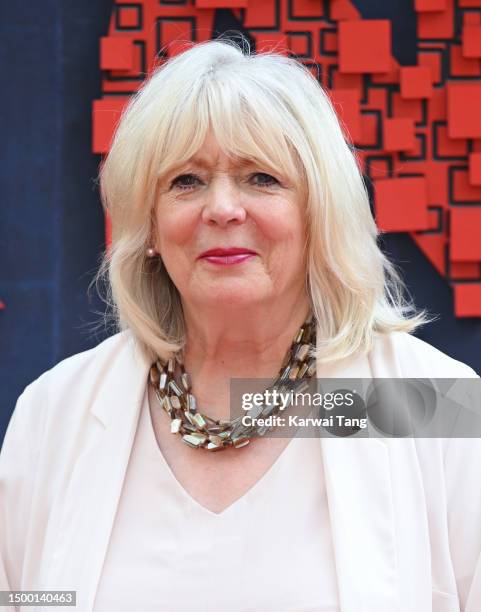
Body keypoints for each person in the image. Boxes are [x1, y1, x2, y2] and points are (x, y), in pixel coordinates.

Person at [1, 37, 480, 612]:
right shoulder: (57, 414)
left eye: (261, 177)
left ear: (318, 212)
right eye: (186, 181)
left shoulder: (429, 405)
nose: (223, 208)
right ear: (147, 226)